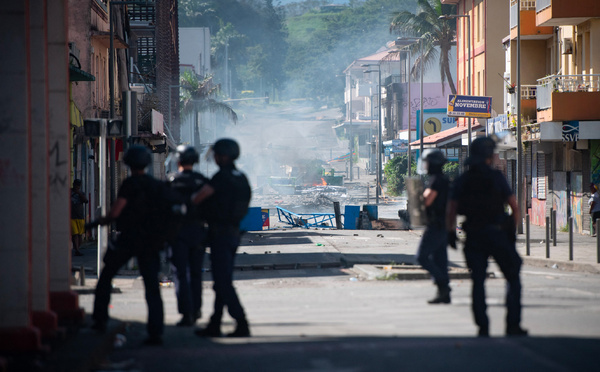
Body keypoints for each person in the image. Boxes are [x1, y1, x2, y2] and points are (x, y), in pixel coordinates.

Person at [90, 145, 172, 346]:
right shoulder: (156, 185)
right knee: (152, 286)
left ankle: (100, 321)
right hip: (150, 241)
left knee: (106, 276)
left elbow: (116, 212)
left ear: (128, 163)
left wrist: (98, 222)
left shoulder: (130, 184)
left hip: (128, 239)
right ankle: (156, 331)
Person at [447, 137, 527, 338]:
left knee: (478, 281)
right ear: (489, 156)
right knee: (513, 278)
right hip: (498, 233)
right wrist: (512, 234)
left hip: (474, 235)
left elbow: (452, 209)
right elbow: (514, 207)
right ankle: (513, 325)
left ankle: (483, 326)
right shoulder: (496, 177)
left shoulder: (463, 180)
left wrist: (450, 233)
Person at [192, 138, 251, 338]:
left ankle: (241, 322)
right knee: (221, 280)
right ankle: (215, 323)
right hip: (233, 232)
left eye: (217, 155)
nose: (215, 158)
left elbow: (199, 197)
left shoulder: (221, 177)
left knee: (223, 282)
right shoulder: (241, 176)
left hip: (220, 234)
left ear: (223, 156)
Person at [168, 145, 209, 327]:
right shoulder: (203, 182)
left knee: (180, 274)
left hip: (177, 233)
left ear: (178, 161)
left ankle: (186, 313)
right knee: (195, 273)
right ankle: (197, 309)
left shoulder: (171, 181)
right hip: (198, 232)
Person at [416, 150, 451, 304]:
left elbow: (426, 201)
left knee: (422, 257)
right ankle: (443, 294)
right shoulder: (444, 179)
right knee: (440, 260)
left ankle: (442, 282)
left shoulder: (436, 180)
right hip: (443, 224)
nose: (426, 166)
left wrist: (417, 196)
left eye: (428, 163)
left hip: (435, 225)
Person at [71, 179, 88, 256]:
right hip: (72, 216)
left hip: (80, 216)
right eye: (76, 185)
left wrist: (79, 193)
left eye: (78, 185)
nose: (77, 187)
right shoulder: (70, 192)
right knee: (75, 234)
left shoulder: (81, 193)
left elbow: (86, 201)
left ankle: (77, 247)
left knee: (80, 234)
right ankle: (77, 250)